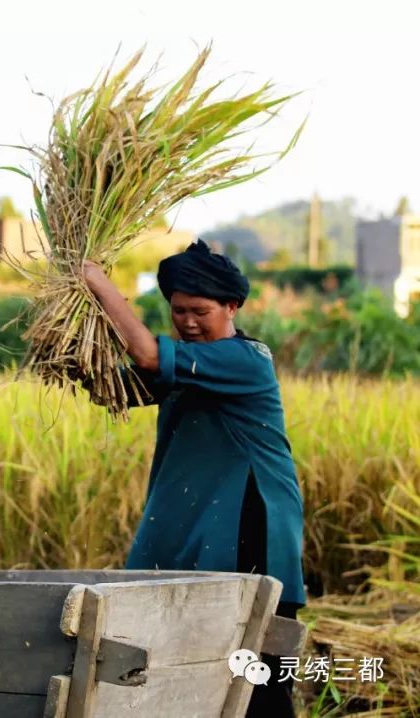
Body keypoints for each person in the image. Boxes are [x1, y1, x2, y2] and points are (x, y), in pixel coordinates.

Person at [82, 240, 305, 717]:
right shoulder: (187, 364)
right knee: (193, 656)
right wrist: (71, 350)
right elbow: (114, 389)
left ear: (232, 306)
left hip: (249, 519)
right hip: (194, 517)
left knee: (255, 669)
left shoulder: (245, 359)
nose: (187, 321)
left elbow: (145, 356)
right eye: (178, 310)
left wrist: (98, 283)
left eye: (200, 311)